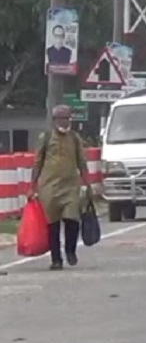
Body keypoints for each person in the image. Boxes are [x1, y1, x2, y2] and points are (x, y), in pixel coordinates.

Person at [29, 105, 91, 270]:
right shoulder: (46, 137)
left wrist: (88, 184)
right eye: (60, 118)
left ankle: (70, 251)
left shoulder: (75, 138)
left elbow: (82, 162)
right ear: (54, 120)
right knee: (53, 225)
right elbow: (37, 163)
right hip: (49, 187)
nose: (64, 121)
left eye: (66, 118)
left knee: (72, 220)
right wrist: (32, 187)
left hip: (70, 186)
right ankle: (56, 259)